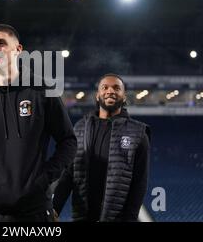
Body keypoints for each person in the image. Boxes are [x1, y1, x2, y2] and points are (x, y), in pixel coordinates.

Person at [0, 24, 77, 222]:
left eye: (0, 43)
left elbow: (68, 142)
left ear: (18, 49)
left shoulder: (42, 91)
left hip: (33, 209)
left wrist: (43, 179)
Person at [53, 73, 150, 222]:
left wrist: (129, 218)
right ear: (98, 96)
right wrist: (55, 208)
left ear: (124, 97)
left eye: (116, 88)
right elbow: (69, 173)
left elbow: (139, 182)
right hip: (83, 217)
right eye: (105, 87)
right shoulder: (80, 128)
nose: (110, 91)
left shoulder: (138, 133)